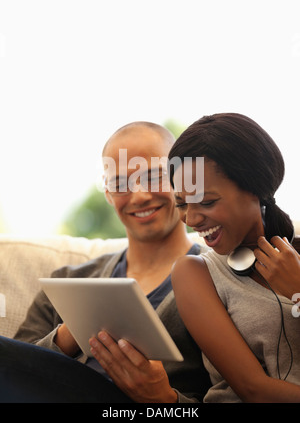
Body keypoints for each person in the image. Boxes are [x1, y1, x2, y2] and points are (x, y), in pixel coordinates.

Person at [7, 121, 211, 403]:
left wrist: (164, 399)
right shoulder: (67, 282)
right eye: (120, 183)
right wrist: (69, 333)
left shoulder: (217, 279)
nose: (139, 195)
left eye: (154, 176)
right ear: (108, 195)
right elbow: (10, 369)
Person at [168, 112, 300, 403]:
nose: (191, 219)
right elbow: (253, 389)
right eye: (181, 204)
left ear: (255, 188)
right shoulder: (195, 272)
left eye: (207, 202)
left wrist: (298, 291)